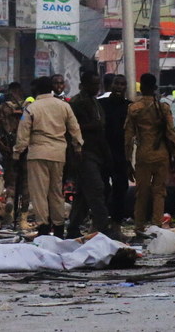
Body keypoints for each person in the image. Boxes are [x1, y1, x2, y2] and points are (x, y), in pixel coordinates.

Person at [14, 76, 83, 237]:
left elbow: (22, 135)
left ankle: (44, 226)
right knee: (56, 191)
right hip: (58, 153)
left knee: (39, 192)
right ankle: (58, 227)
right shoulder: (63, 106)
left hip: (37, 153)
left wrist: (17, 154)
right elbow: (75, 128)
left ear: (36, 90)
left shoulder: (31, 108)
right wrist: (78, 147)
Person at [66, 71, 127, 241]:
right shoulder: (78, 103)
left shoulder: (95, 103)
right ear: (84, 85)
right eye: (93, 84)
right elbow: (72, 128)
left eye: (97, 83)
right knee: (96, 189)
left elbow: (101, 130)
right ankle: (103, 227)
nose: (96, 87)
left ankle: (73, 227)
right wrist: (90, 127)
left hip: (98, 152)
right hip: (84, 153)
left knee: (84, 195)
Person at [125, 73, 175, 235]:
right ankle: (156, 226)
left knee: (142, 192)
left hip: (143, 155)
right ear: (155, 87)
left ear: (141, 86)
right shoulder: (163, 108)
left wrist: (128, 159)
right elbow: (171, 134)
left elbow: (128, 137)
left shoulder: (134, 108)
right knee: (159, 191)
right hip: (161, 155)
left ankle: (139, 227)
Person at [0, 82, 25, 222]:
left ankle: (10, 203)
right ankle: (22, 217)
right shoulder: (27, 107)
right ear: (19, 91)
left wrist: (0, 142)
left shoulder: (1, 108)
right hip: (24, 150)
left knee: (10, 180)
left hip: (7, 150)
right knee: (24, 183)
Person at [99, 74, 132, 222]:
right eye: (117, 83)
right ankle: (101, 220)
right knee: (102, 188)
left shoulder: (130, 107)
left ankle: (116, 223)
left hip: (121, 154)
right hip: (103, 152)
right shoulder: (101, 104)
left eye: (122, 84)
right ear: (111, 86)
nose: (119, 87)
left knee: (121, 188)